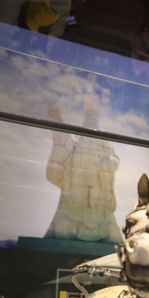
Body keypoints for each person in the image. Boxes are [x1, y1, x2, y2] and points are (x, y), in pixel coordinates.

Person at [45, 99, 122, 244]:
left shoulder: (104, 143)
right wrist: (57, 124)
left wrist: (105, 165)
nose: (91, 114)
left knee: (113, 239)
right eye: (89, 111)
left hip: (100, 209)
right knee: (63, 233)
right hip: (72, 208)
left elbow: (114, 160)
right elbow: (62, 147)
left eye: (93, 111)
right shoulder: (75, 143)